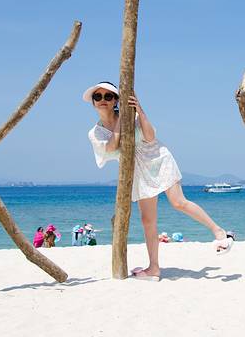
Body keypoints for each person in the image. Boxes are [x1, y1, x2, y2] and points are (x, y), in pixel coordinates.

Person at [84, 81, 234, 281]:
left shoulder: (133, 115)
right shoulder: (95, 132)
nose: (103, 100)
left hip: (158, 158)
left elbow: (150, 136)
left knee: (178, 202)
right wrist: (121, 120)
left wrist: (139, 110)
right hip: (138, 172)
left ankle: (220, 232)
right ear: (93, 102)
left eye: (108, 96)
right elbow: (111, 148)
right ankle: (154, 268)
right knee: (147, 221)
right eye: (98, 96)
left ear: (116, 100)